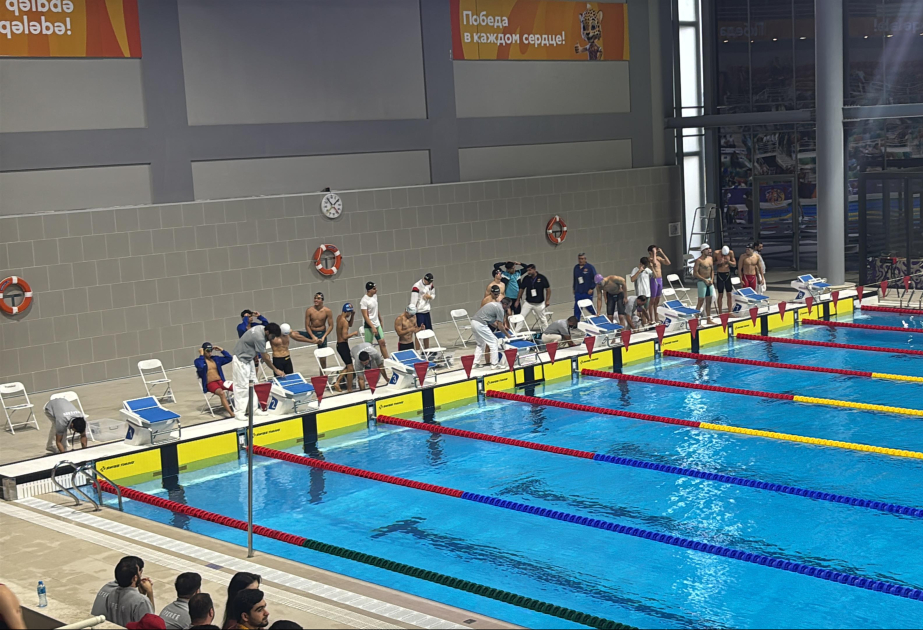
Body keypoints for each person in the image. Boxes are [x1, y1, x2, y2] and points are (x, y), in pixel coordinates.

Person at [231, 323, 282, 419]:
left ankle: (253, 409)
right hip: (240, 360)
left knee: (254, 384)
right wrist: (276, 370)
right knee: (242, 387)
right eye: (272, 336)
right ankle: (239, 413)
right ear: (267, 332)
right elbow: (265, 358)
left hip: (249, 359)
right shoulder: (259, 337)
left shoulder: (261, 328)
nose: (273, 339)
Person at [92, 555, 155, 627]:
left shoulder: (111, 594)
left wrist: (142, 594)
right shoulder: (141, 601)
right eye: (139, 572)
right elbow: (152, 624)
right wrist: (149, 592)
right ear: (135, 578)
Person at [294, 293, 334, 368]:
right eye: (315, 298)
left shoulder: (327, 311)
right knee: (293, 333)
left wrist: (324, 337)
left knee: (323, 359)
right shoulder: (309, 310)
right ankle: (313, 341)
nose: (316, 300)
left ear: (322, 300)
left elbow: (331, 326)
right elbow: (307, 325)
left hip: (322, 334)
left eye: (318, 298)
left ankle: (322, 374)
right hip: (311, 333)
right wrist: (313, 337)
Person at [471, 298, 512, 368]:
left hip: (473, 322)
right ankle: (494, 364)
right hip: (481, 324)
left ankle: (475, 363)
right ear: (505, 304)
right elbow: (500, 326)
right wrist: (508, 335)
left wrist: (501, 327)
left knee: (481, 344)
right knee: (494, 342)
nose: (508, 308)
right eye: (508, 306)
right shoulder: (500, 309)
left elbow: (492, 322)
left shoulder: (494, 305)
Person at [195, 343, 234, 417]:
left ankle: (244, 408)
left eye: (211, 351)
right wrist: (201, 355)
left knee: (237, 388)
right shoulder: (198, 361)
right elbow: (200, 366)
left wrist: (222, 350)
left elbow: (229, 358)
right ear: (203, 351)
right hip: (211, 384)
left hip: (221, 381)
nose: (210, 353)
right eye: (207, 351)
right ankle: (231, 413)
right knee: (221, 393)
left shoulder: (216, 359)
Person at [360, 281, 389, 359]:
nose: (376, 290)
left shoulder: (375, 296)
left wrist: (380, 319)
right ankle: (368, 361)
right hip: (369, 325)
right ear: (369, 290)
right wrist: (372, 327)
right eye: (374, 289)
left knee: (382, 342)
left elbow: (376, 309)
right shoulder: (364, 301)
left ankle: (387, 359)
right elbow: (365, 316)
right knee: (368, 346)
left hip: (377, 323)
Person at [517, 264, 551, 329]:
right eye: (527, 271)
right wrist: (518, 300)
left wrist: (547, 300)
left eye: (530, 270)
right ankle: (516, 331)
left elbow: (548, 289)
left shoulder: (542, 278)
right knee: (521, 317)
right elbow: (521, 289)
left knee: (542, 319)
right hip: (528, 302)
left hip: (539, 303)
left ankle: (546, 332)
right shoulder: (526, 278)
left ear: (534, 270)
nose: (528, 272)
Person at [693, 244, 717, 325]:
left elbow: (712, 270)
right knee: (700, 301)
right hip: (701, 282)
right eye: (707, 249)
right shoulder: (698, 261)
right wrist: (704, 280)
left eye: (709, 248)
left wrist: (712, 279)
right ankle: (696, 320)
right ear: (702, 251)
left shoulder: (710, 259)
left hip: (709, 281)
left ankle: (708, 319)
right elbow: (695, 273)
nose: (709, 250)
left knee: (709, 300)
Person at [410, 273, 435, 348]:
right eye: (428, 282)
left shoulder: (430, 285)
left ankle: (426, 350)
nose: (429, 283)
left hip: (426, 311)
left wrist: (429, 297)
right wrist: (413, 315)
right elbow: (413, 302)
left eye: (430, 282)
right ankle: (418, 350)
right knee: (419, 332)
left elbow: (433, 295)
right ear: (424, 279)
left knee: (427, 332)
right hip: (419, 312)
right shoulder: (416, 286)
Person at [647, 245, 671, 321]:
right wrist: (654, 253)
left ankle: (656, 317)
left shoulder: (658, 258)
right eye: (654, 251)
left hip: (660, 279)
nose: (656, 252)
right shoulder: (649, 259)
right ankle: (651, 318)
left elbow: (668, 262)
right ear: (650, 252)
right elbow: (654, 263)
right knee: (652, 300)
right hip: (653, 280)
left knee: (657, 300)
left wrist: (662, 252)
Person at [713, 245, 737, 315]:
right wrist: (718, 262)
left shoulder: (731, 253)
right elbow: (712, 263)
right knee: (720, 294)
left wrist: (728, 262)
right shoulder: (716, 253)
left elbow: (734, 264)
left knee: (729, 294)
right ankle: (720, 312)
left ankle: (730, 312)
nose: (724, 256)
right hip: (720, 274)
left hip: (727, 274)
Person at [572, 253, 597, 318]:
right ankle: (576, 321)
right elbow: (575, 279)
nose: (581, 260)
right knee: (577, 307)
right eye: (579, 259)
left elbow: (595, 278)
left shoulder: (590, 267)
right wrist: (574, 288)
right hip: (578, 291)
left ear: (585, 259)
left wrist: (592, 288)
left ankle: (596, 315)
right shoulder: (576, 268)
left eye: (582, 259)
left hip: (587, 291)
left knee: (589, 306)